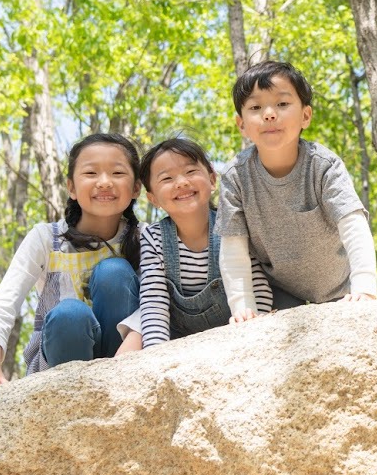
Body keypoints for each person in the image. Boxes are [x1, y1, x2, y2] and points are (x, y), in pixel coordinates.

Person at [0, 133, 142, 398]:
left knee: (114, 272)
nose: (104, 183)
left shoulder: (147, 238)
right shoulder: (47, 238)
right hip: (60, 365)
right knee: (70, 313)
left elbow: (156, 303)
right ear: (71, 187)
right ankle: (71, 398)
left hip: (125, 359)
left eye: (117, 173)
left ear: (137, 188)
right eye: (91, 173)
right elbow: (4, 301)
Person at [218, 60, 377, 321]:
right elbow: (233, 247)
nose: (269, 114)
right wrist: (242, 306)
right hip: (279, 292)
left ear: (305, 116)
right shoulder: (235, 176)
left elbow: (354, 226)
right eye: (256, 107)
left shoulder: (324, 166)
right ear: (241, 124)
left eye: (282, 104)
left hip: (341, 287)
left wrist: (365, 287)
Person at [116, 136, 272, 353]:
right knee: (136, 332)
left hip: (234, 324)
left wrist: (255, 327)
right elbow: (155, 305)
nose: (181, 182)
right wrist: (155, 355)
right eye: (167, 178)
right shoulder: (154, 238)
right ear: (153, 198)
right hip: (177, 333)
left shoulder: (233, 225)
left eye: (190, 172)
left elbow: (257, 286)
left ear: (212, 180)